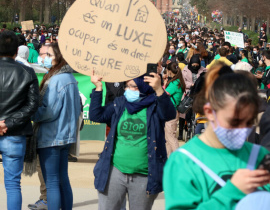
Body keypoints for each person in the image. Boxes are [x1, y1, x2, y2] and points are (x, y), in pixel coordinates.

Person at [163, 64, 270, 210]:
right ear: (209, 111)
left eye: (249, 122)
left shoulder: (260, 156)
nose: (242, 129)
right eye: (234, 121)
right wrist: (232, 192)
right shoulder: (184, 162)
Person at [89, 71, 176, 210]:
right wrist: (98, 88)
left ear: (144, 87)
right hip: (115, 173)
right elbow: (96, 115)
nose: (130, 90)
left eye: (134, 87)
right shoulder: (120, 103)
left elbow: (169, 114)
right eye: (127, 86)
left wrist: (159, 89)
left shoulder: (154, 105)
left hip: (144, 176)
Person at [32, 43, 81, 210]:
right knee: (62, 179)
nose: (43, 57)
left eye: (47, 54)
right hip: (64, 136)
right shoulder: (69, 78)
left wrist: (31, 113)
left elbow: (49, 111)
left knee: (52, 181)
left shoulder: (57, 79)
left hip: (52, 136)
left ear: (58, 56)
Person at [0, 31, 39, 210]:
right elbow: (32, 106)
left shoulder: (27, 72)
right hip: (14, 134)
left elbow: (32, 105)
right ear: (17, 50)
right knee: (13, 184)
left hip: (12, 131)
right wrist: (8, 123)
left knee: (13, 184)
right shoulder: (27, 72)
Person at [164, 63, 186, 156]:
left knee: (171, 137)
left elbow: (164, 94)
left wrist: (164, 83)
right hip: (173, 111)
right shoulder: (179, 81)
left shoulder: (174, 83)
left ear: (169, 71)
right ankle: (168, 159)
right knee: (168, 138)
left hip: (170, 111)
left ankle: (178, 158)